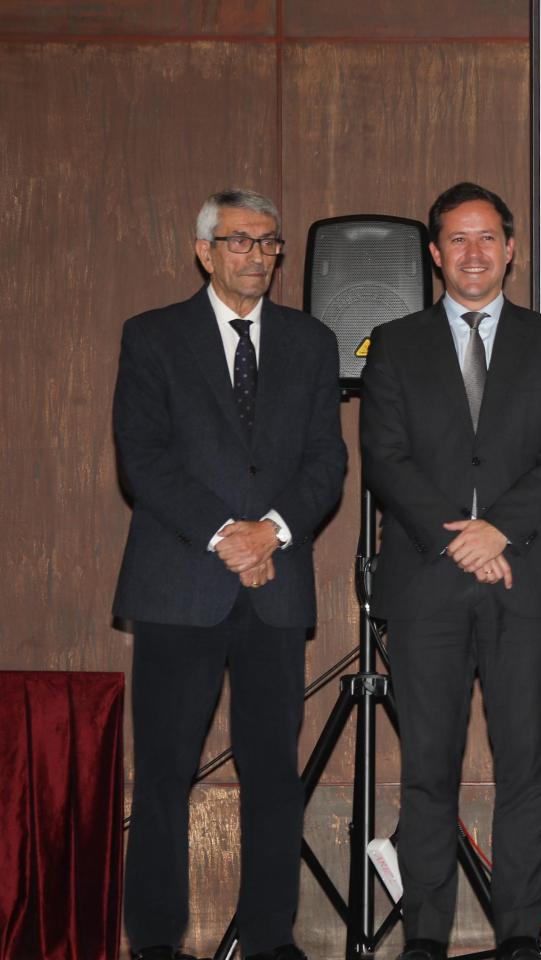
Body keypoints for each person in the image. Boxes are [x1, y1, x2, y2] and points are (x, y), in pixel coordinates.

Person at [359, 182, 541, 960]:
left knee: (525, 765)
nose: (473, 253)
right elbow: (384, 458)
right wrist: (458, 537)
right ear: (434, 253)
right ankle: (426, 935)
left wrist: (499, 531)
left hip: (524, 577)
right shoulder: (392, 342)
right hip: (426, 584)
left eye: (487, 238)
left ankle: (519, 934)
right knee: (427, 767)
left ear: (511, 249)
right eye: (457, 240)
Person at [113, 188, 347, 960]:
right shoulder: (152, 337)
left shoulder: (312, 342)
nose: (257, 256)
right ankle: (153, 942)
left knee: (275, 778)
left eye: (269, 243)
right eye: (240, 241)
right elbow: (143, 460)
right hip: (180, 585)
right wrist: (226, 537)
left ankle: (270, 941)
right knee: (164, 775)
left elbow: (326, 462)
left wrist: (271, 532)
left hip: (275, 589)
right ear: (204, 252)